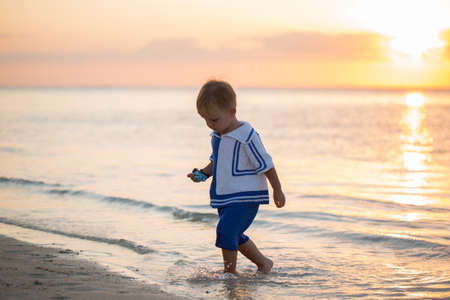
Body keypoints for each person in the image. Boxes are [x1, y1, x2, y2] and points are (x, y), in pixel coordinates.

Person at [187, 80, 286, 275]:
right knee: (234, 234)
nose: (210, 125)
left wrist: (277, 189)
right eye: (205, 120)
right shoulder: (218, 135)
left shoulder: (246, 135)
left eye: (214, 120)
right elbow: (218, 161)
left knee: (225, 231)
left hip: (246, 197)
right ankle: (264, 264)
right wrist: (203, 174)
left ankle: (229, 274)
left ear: (232, 111)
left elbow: (266, 163)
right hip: (226, 195)